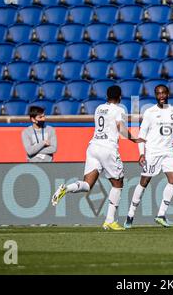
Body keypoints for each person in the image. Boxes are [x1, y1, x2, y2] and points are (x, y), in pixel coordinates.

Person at [51, 86, 143, 230]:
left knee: (87, 185)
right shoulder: (119, 110)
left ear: (107, 96)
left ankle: (66, 188)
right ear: (119, 97)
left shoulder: (99, 108)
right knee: (118, 184)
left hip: (93, 147)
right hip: (108, 148)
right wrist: (134, 139)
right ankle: (109, 220)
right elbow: (121, 128)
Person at [124, 84, 173, 229]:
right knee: (144, 182)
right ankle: (130, 214)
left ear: (168, 94)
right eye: (158, 94)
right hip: (152, 152)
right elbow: (142, 135)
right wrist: (141, 153)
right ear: (155, 95)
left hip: (169, 152)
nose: (161, 96)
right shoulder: (149, 112)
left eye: (163, 93)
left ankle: (161, 215)